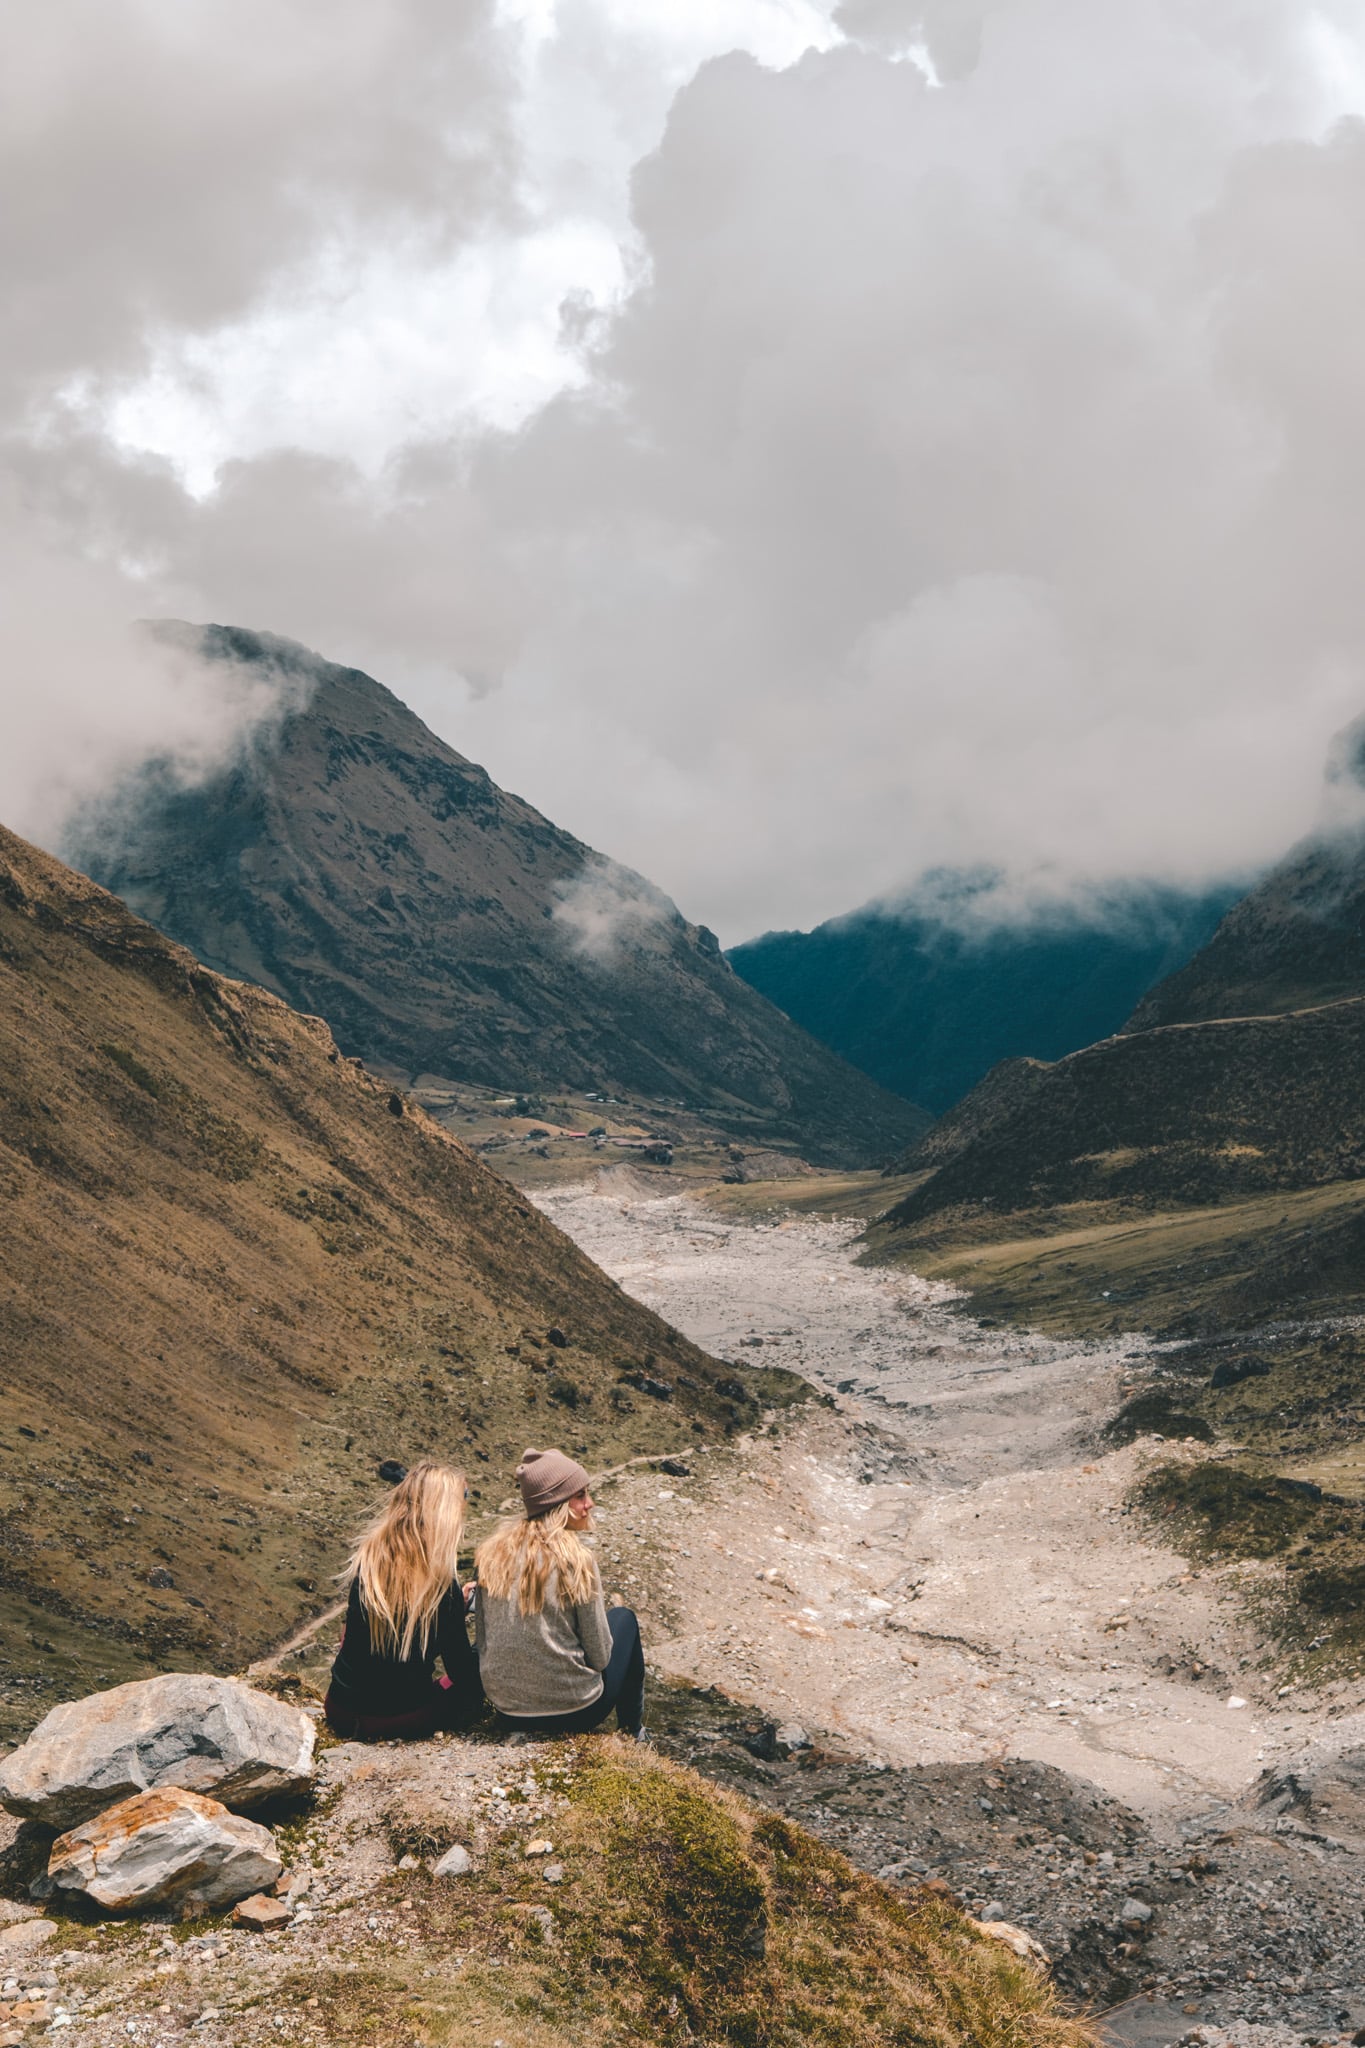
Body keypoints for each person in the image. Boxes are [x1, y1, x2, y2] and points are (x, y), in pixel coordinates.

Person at [474, 1447, 645, 1738]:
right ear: (557, 1503)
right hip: (576, 1712)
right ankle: (633, 1732)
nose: (589, 1504)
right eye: (580, 1496)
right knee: (624, 1619)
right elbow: (601, 1657)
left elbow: (483, 1639)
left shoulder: (490, 1556)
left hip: (508, 1710)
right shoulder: (576, 1560)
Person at [324, 1462, 482, 1740]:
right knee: (465, 1687)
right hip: (398, 1718)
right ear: (444, 1513)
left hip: (339, 1710)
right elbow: (462, 1674)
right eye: (463, 1498)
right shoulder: (442, 1587)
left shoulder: (368, 1564)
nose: (465, 1508)